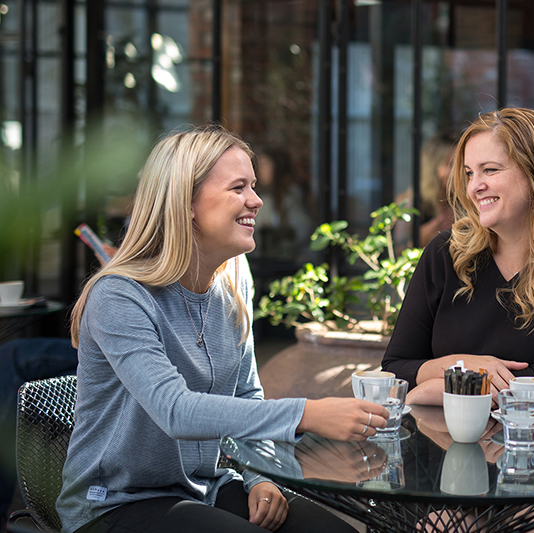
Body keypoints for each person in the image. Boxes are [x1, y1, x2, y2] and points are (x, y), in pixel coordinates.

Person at [56, 124, 389, 533]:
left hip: (205, 487)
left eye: (253, 185)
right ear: (186, 203)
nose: (256, 199)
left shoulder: (233, 276)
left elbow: (248, 390)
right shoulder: (119, 296)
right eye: (238, 188)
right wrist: (307, 414)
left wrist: (260, 476)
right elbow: (175, 411)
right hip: (113, 504)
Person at [381, 108, 534, 533]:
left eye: (490, 170)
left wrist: (433, 386)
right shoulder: (446, 254)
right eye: (470, 173)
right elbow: (396, 371)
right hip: (454, 469)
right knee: (439, 527)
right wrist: (461, 366)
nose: (476, 186)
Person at [393, 133, 458, 250]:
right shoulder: (410, 202)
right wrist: (422, 239)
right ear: (433, 167)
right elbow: (396, 253)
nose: (461, 171)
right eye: (452, 165)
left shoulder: (463, 202)